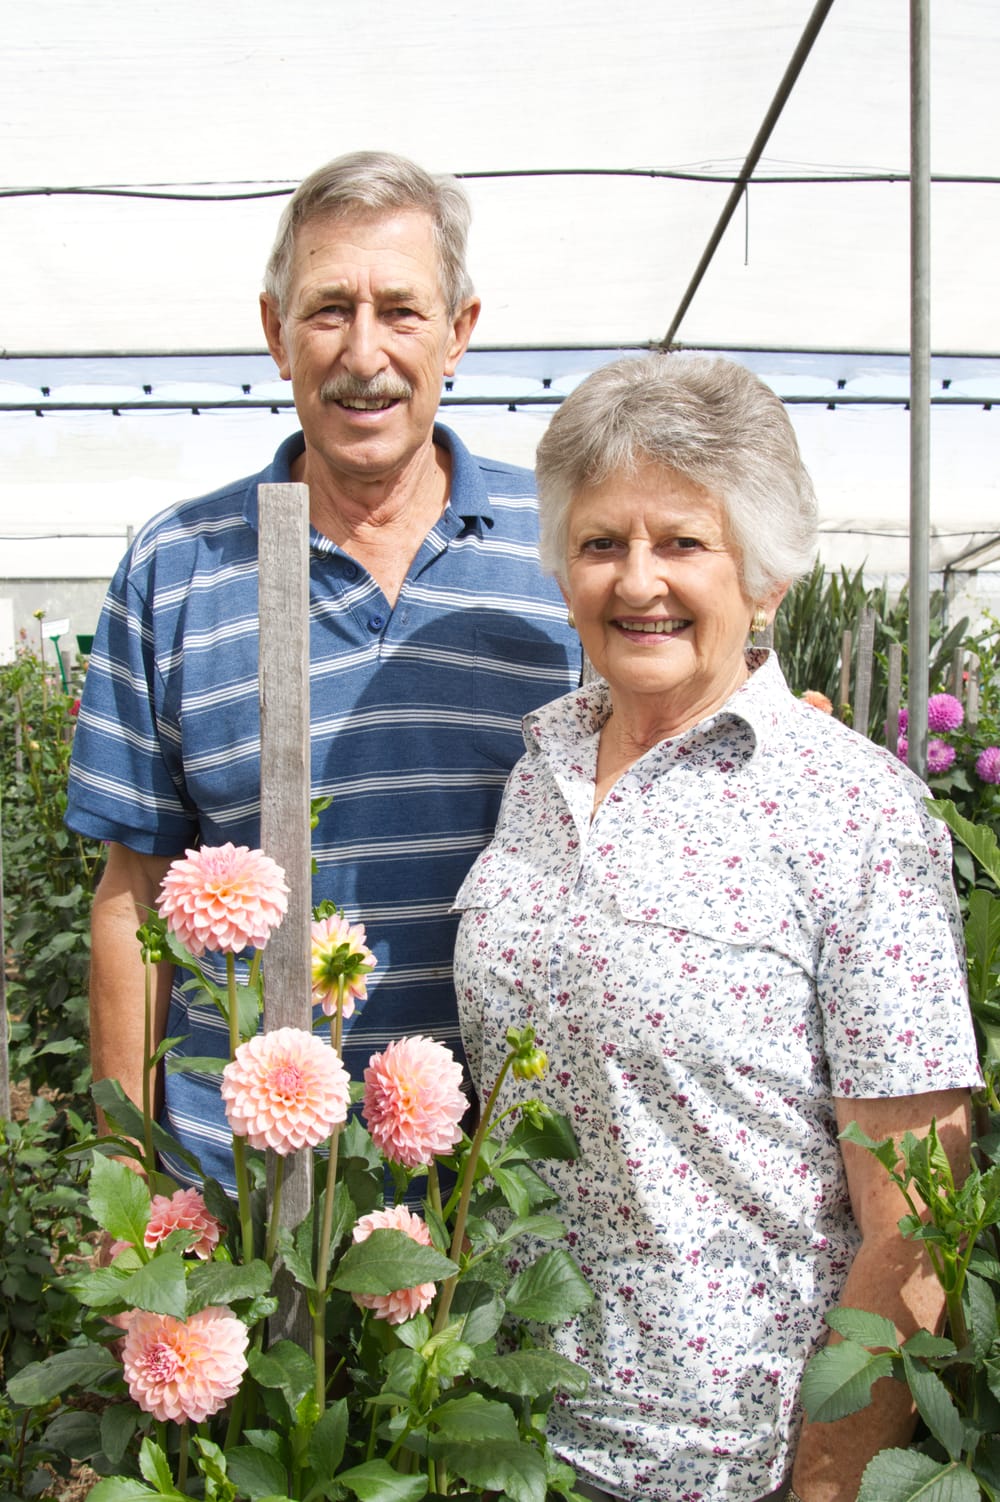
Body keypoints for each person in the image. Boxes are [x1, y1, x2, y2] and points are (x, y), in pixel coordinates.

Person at [453, 353, 981, 1502]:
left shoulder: (850, 811)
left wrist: (827, 1480)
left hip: (723, 1458)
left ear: (768, 574)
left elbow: (916, 1212)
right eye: (601, 544)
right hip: (498, 1422)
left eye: (682, 541)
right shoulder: (539, 760)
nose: (636, 580)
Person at [66, 150, 580, 1191]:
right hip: (248, 1184)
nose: (364, 353)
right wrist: (134, 1192)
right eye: (327, 310)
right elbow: (129, 898)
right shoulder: (177, 565)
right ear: (273, 332)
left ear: (459, 332)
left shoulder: (569, 548)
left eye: (400, 310)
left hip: (507, 1188)